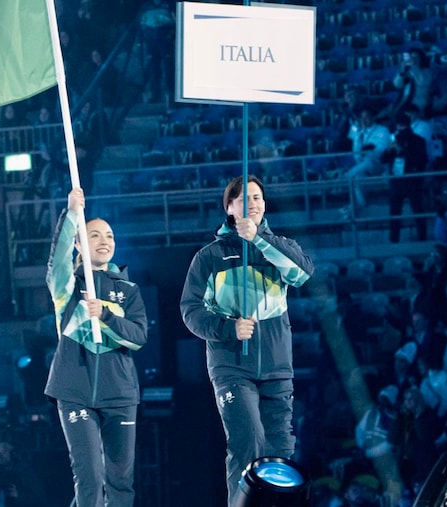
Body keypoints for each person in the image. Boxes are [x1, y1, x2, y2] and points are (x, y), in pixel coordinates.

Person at [181, 175, 314, 505]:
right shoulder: (210, 257)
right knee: (248, 442)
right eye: (243, 199)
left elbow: (302, 273)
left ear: (264, 205)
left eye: (256, 198)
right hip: (232, 367)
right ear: (229, 207)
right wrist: (228, 328)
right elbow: (191, 311)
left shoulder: (279, 247)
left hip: (277, 366)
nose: (251, 204)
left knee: (280, 452)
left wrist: (260, 241)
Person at [44, 188, 148, 507]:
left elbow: (138, 336)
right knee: (89, 477)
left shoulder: (128, 290)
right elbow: (57, 262)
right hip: (75, 391)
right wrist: (72, 214)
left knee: (119, 480)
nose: (104, 240)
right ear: (79, 243)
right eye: (94, 235)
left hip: (119, 393)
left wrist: (104, 315)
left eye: (109, 236)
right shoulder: (68, 288)